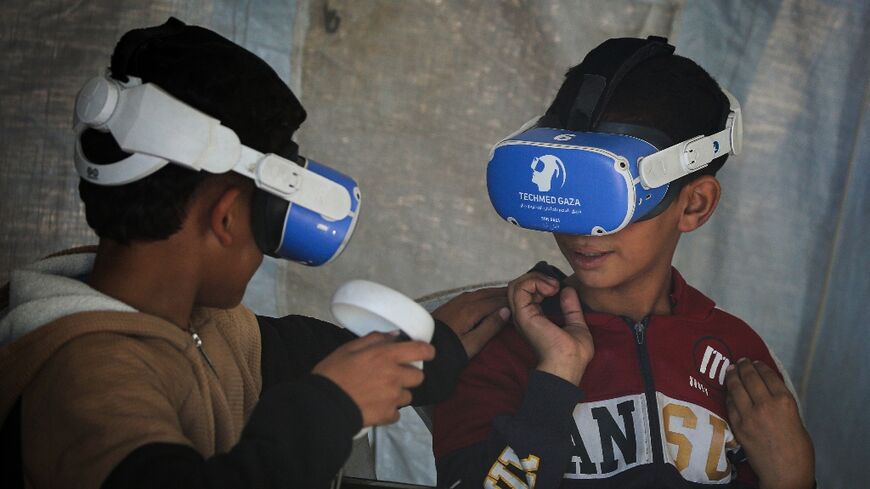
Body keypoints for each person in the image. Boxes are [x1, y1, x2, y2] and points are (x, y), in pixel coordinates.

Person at [0, 18, 510, 489]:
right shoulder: (86, 378)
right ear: (225, 218)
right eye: (268, 218)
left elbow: (286, 351)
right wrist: (330, 409)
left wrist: (431, 351)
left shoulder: (184, 318)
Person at [433, 36, 815, 489]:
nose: (582, 227)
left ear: (694, 205)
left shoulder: (737, 354)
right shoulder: (499, 346)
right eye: (567, 196)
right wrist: (554, 379)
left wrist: (792, 479)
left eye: (608, 198)